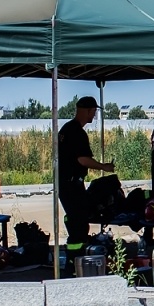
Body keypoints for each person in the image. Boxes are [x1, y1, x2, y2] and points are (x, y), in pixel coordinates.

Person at [57, 95, 115, 258]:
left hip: (65, 184)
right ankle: (76, 259)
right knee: (79, 224)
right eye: (94, 111)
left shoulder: (66, 129)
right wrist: (104, 167)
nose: (94, 115)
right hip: (71, 185)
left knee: (77, 220)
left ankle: (75, 258)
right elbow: (82, 159)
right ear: (88, 111)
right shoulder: (77, 133)